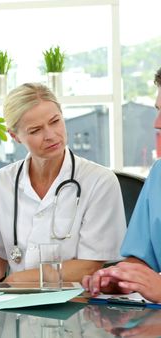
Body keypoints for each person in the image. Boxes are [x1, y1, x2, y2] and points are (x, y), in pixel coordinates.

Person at [0, 83, 126, 283]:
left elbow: (89, 265)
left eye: (55, 122)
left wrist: (15, 281)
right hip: (15, 305)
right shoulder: (1, 183)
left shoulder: (99, 181)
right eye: (35, 130)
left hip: (76, 304)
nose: (50, 135)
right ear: (15, 136)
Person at [82, 67, 161, 302]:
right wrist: (121, 278)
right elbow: (141, 261)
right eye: (158, 110)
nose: (157, 122)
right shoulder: (159, 175)